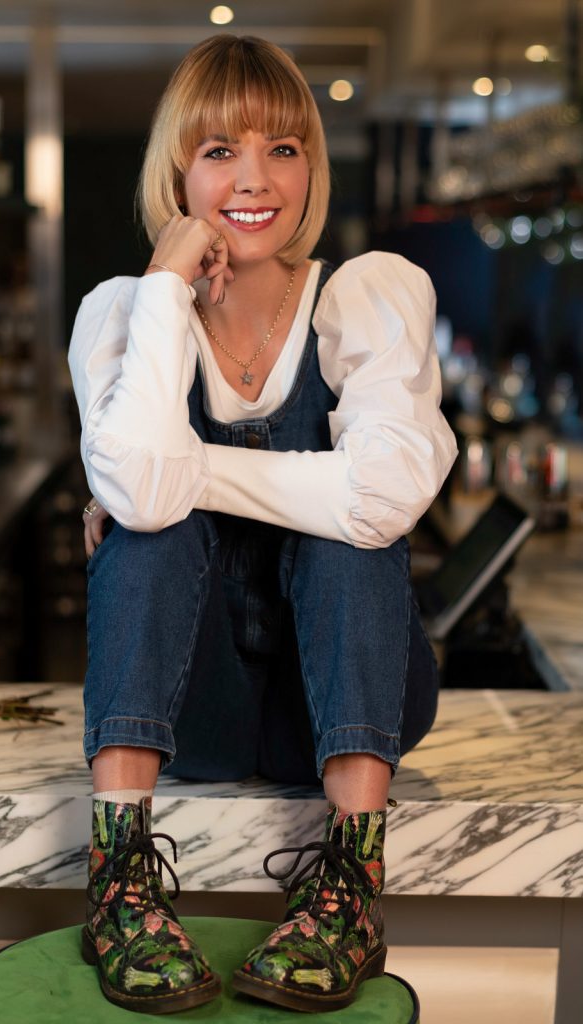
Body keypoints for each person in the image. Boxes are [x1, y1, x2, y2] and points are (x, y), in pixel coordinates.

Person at [68, 34, 457, 1015]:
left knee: (346, 534)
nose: (253, 179)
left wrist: (181, 475)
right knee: (148, 531)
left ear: (311, 168)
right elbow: (149, 502)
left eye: (282, 149)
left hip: (341, 702)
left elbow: (381, 497)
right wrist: (166, 289)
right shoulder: (122, 313)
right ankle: (117, 881)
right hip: (190, 708)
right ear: (177, 171)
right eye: (219, 152)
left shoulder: (366, 294)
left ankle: (353, 887)